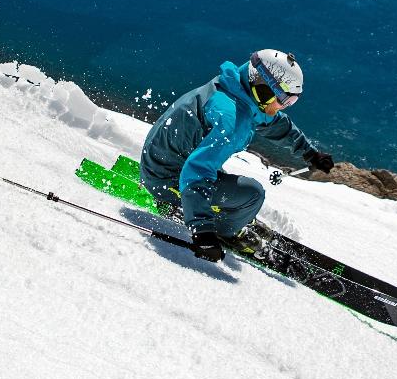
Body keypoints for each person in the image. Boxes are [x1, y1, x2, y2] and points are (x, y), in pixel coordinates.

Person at [140, 49, 334, 262]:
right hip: (166, 179)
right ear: (264, 89)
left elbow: (275, 123)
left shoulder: (235, 91)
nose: (284, 106)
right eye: (285, 100)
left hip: (161, 161)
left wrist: (310, 153)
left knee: (226, 178)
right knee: (253, 194)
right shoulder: (232, 120)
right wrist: (203, 231)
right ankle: (225, 232)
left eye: (290, 102)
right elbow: (197, 171)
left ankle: (222, 212)